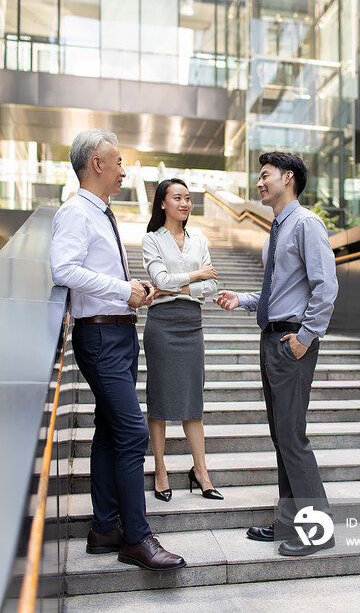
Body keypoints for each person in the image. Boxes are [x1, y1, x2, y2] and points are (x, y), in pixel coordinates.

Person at [50, 129, 186, 572]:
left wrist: (136, 292)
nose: (125, 170)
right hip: (102, 337)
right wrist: (119, 289)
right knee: (132, 434)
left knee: (110, 431)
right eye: (119, 161)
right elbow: (63, 268)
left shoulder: (102, 214)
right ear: (97, 164)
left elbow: (96, 274)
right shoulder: (76, 212)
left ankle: (105, 527)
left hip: (120, 333)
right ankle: (136, 537)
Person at [214, 152, 338, 557]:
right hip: (272, 338)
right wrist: (244, 300)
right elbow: (279, 291)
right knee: (281, 436)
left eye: (264, 176)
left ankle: (318, 532)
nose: (259, 183)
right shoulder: (275, 232)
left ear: (288, 178)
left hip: (291, 343)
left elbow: (325, 287)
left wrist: (306, 337)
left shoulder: (306, 224)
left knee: (292, 436)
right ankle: (289, 522)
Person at [142, 178, 223, 502]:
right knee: (159, 401)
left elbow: (212, 288)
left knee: (193, 403)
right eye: (178, 197)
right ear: (163, 203)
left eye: (188, 198)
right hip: (161, 326)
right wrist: (196, 276)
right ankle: (160, 469)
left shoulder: (199, 239)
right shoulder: (152, 239)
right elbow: (157, 280)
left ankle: (200, 471)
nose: (185, 203)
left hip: (191, 324)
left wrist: (181, 286)